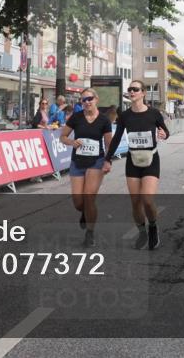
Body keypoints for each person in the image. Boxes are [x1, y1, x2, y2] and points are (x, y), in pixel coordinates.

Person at [105, 80, 170, 250]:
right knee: (135, 202)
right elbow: (117, 138)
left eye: (135, 89)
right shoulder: (125, 116)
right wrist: (107, 159)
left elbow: (166, 131)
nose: (132, 91)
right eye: (130, 89)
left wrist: (164, 134)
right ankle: (142, 232)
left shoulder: (154, 113)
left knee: (147, 200)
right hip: (133, 160)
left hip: (151, 159)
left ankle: (153, 227)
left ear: (143, 93)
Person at [61, 88, 113, 247]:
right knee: (78, 202)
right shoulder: (76, 117)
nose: (87, 102)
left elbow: (109, 144)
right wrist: (72, 142)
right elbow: (63, 136)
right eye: (84, 100)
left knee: (89, 197)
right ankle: (85, 212)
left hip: (96, 162)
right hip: (77, 162)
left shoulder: (104, 120)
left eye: (90, 98)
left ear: (96, 99)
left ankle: (90, 233)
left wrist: (108, 161)